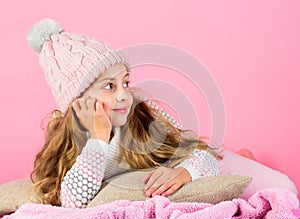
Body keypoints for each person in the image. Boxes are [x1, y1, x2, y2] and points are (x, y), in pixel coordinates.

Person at [28, 18, 221, 208]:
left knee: (228, 157)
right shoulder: (70, 140)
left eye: (125, 83)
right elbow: (72, 202)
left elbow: (202, 153)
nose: (124, 95)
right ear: (77, 103)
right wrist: (98, 137)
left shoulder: (142, 112)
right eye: (109, 86)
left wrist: (184, 172)